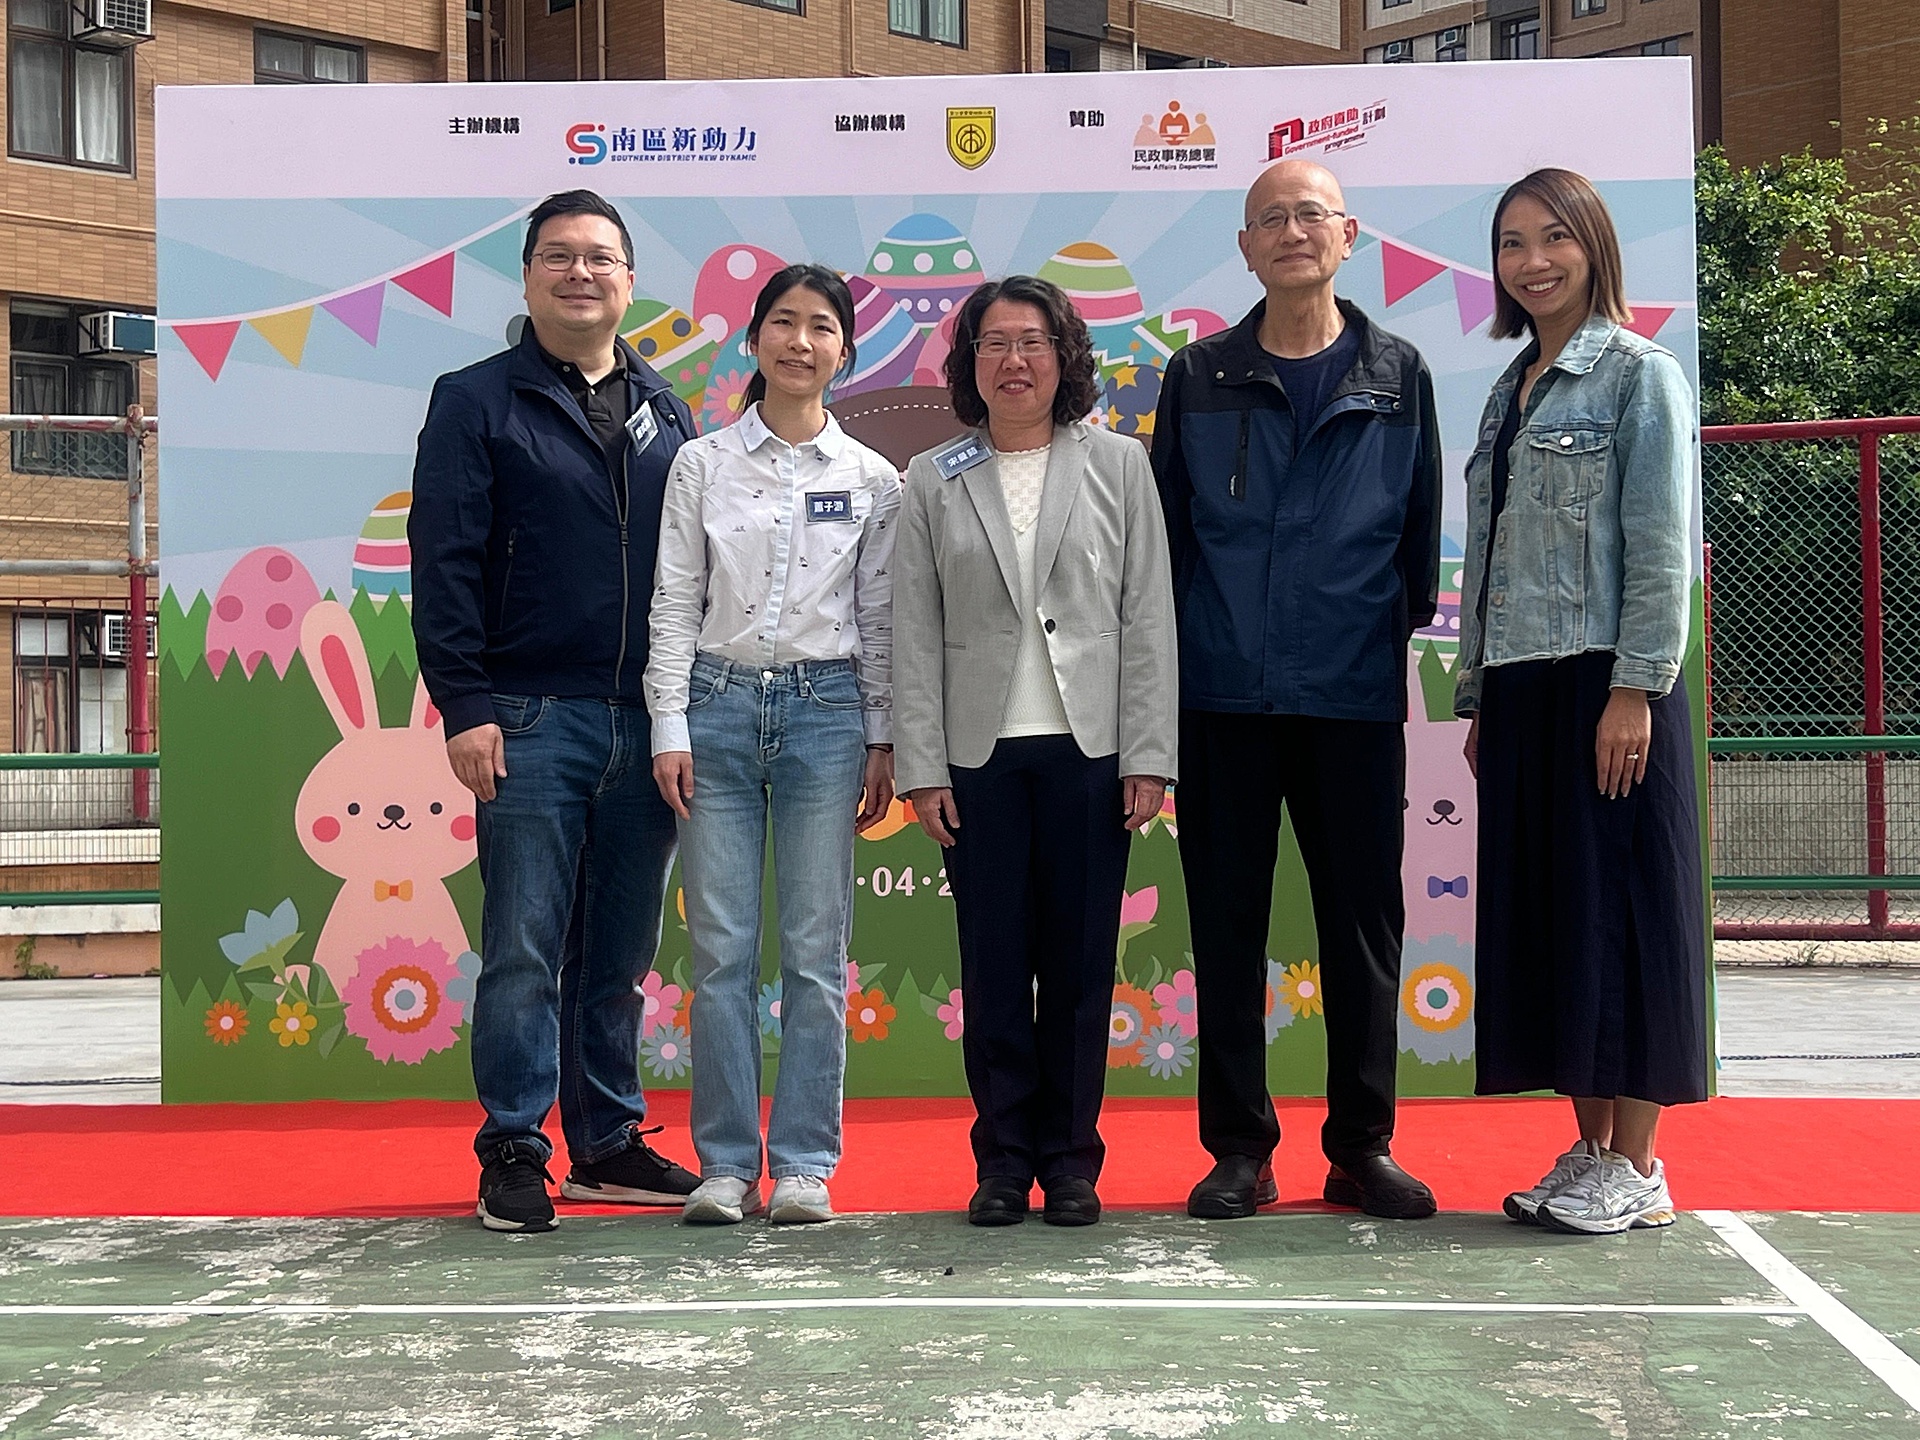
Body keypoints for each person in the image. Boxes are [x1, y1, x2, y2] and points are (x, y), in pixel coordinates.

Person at [1151, 159, 1442, 1222]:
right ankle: (1240, 1149)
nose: (1291, 231)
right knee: (1226, 929)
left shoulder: (1400, 374)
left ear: (1347, 234)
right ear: (1245, 248)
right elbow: (1168, 539)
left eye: (1309, 214)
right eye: (1269, 218)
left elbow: (1417, 546)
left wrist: (1359, 637)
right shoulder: (1200, 374)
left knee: (1362, 931)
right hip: (1221, 697)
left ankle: (1362, 1147)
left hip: (1352, 698)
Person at [411, 189, 700, 1233]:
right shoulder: (475, 401)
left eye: (601, 258)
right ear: (529, 275)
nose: (582, 274)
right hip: (527, 715)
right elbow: (443, 559)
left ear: (630, 281)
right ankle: (514, 1148)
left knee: (618, 954)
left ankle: (608, 1142)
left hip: (647, 719)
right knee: (525, 947)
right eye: (560, 256)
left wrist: (680, 710)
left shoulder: (667, 408)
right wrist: (465, 703)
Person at [895, 275, 1178, 1228]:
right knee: (993, 967)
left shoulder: (1119, 464)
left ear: (1065, 357)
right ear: (969, 363)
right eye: (994, 344)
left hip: (1089, 753)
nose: (1014, 361)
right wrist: (922, 766)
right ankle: (1003, 1163)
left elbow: (1148, 615)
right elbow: (913, 630)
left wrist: (1149, 752)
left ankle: (1070, 1162)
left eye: (1033, 342)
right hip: (976, 760)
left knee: (1081, 966)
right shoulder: (932, 477)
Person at [1456, 168, 1706, 1236]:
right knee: (1564, 920)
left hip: (1609, 682)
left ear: (1593, 246)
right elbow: (1489, 559)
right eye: (1512, 243)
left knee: (1631, 914)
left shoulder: (1641, 375)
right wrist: (1479, 694)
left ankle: (1639, 1164)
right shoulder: (1508, 389)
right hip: (1523, 687)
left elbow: (1660, 548)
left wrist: (1636, 688)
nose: (1533, 261)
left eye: (1554, 237)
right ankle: (1594, 1150)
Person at [646, 264, 899, 1227]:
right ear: (753, 340)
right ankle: (723, 1165)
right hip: (713, 706)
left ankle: (802, 1164)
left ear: (846, 351)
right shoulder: (701, 464)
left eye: (821, 326)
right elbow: (676, 599)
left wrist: (881, 734)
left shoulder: (872, 479)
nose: (801, 341)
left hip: (826, 714)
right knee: (719, 950)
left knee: (814, 951)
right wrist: (670, 722)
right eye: (783, 322)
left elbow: (877, 617)